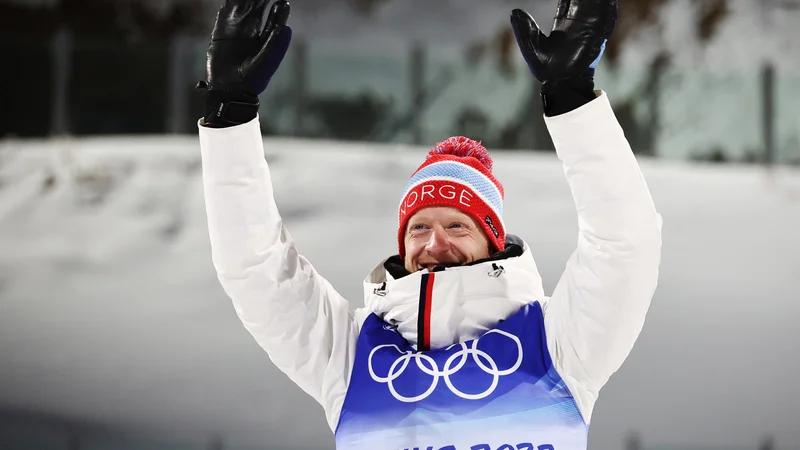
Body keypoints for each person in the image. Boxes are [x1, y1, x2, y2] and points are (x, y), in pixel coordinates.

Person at [196, 0, 662, 449]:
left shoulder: (559, 346)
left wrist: (572, 98)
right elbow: (255, 266)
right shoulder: (350, 359)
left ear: (493, 241)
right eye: (418, 229)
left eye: (458, 226)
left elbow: (624, 243)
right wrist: (229, 112)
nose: (434, 242)